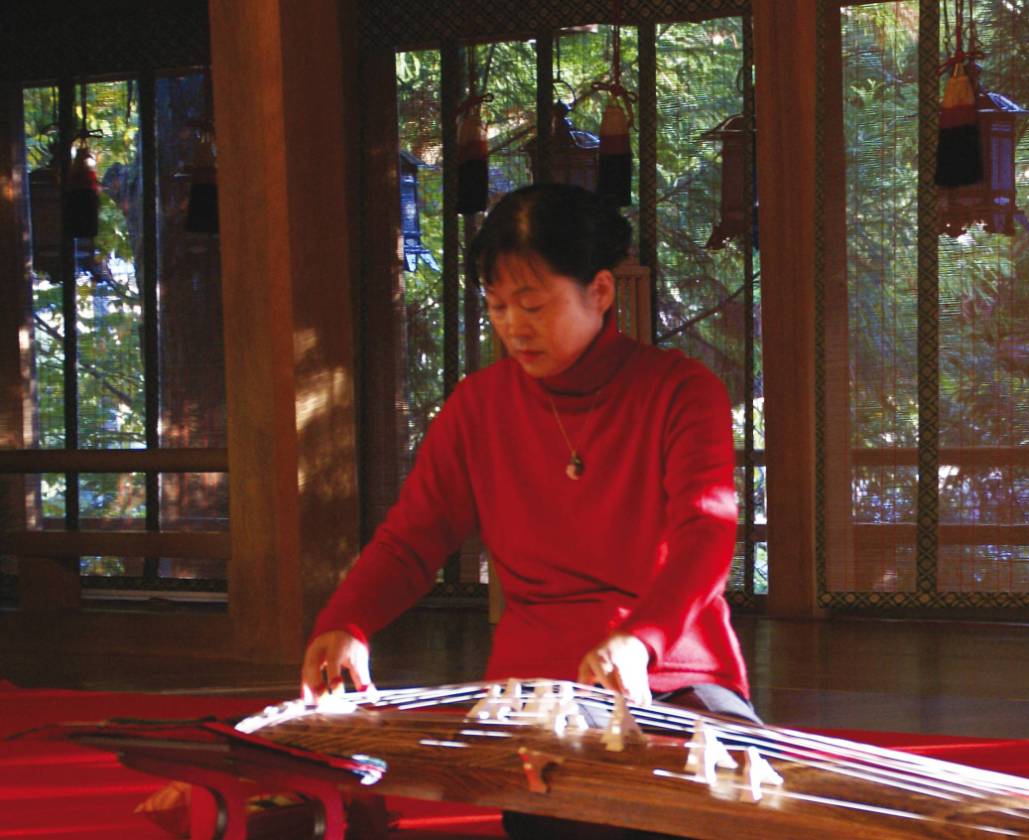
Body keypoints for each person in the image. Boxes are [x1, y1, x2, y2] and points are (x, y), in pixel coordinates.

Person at [300, 183, 752, 839]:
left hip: (674, 666)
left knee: (734, 799)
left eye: (533, 304)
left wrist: (639, 639)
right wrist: (348, 622)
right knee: (581, 813)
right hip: (539, 689)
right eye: (497, 306)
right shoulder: (478, 407)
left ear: (600, 292)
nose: (513, 324)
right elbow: (410, 542)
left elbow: (704, 537)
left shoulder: (681, 392)